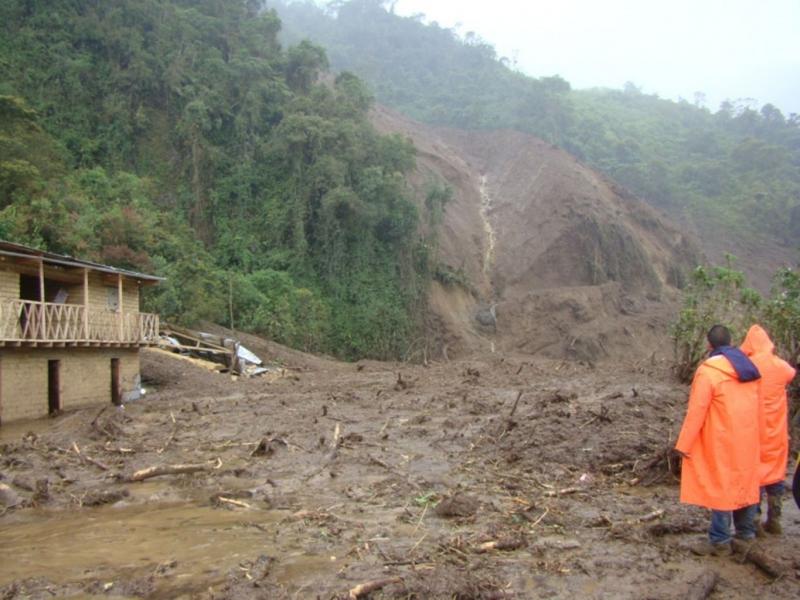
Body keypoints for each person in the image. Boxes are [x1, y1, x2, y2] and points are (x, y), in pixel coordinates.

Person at [674, 324, 762, 556]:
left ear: (709, 345)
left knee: (722, 486)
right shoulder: (749, 367)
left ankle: (720, 540)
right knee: (746, 482)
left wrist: (683, 444)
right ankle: (745, 534)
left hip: (722, 437)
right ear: (731, 341)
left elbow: (697, 410)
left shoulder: (708, 371)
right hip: (749, 436)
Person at [740, 324, 796, 534]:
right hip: (778, 431)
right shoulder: (781, 366)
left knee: (755, 476)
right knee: (776, 474)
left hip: (754, 431)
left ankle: (754, 520)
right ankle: (775, 518)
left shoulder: (748, 365)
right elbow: (791, 373)